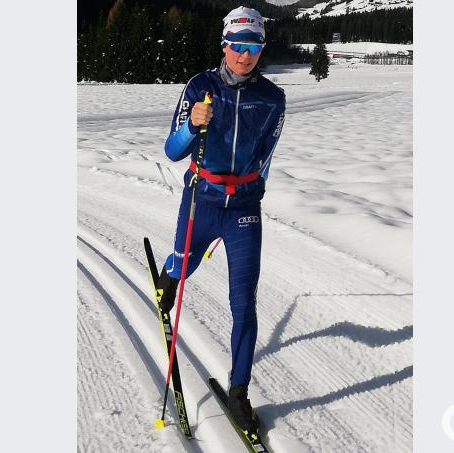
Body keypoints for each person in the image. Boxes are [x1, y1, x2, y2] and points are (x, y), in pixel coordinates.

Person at [155, 6, 285, 436]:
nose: (245, 55)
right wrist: (192, 126)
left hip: (244, 207)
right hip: (202, 198)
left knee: (243, 303)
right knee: (183, 262)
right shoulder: (201, 86)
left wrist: (251, 194)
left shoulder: (272, 98)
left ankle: (238, 393)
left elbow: (265, 156)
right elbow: (173, 151)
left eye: (254, 46)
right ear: (224, 45)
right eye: (238, 45)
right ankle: (169, 280)